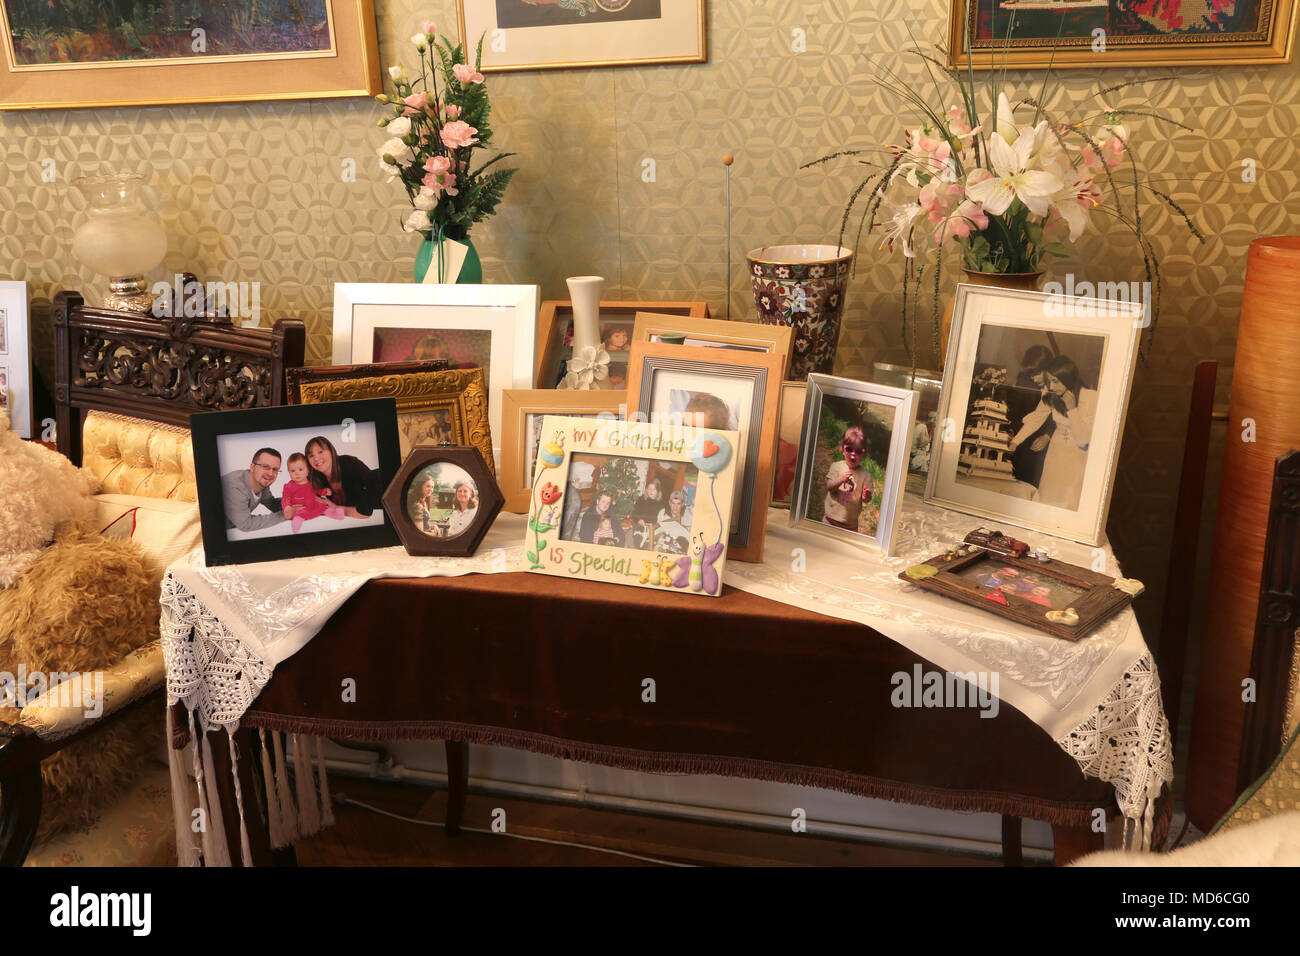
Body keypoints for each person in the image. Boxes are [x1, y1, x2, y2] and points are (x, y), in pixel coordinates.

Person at [1009, 355, 1097, 511]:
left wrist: (1072, 409)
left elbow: (1083, 440)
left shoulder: (1091, 397)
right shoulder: (1051, 394)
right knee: (1047, 497)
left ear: (1068, 378)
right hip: (1055, 454)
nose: (1050, 386)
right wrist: (1015, 441)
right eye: (1049, 381)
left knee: (1069, 500)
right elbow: (1037, 417)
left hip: (1077, 457)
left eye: (1055, 381)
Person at [220, 447, 304, 532]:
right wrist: (284, 515)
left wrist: (297, 500)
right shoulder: (234, 486)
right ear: (252, 467)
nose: (270, 473)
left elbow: (272, 503)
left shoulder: (261, 483)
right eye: (265, 467)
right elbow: (246, 524)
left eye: (275, 469)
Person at [1009, 346, 1055, 488]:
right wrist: (1015, 442)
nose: (1033, 379)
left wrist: (1048, 435)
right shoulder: (1046, 389)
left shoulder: (1060, 387)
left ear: (1048, 369)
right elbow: (1037, 417)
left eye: (1036, 374)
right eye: (1031, 374)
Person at [305, 435, 381, 518]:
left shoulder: (348, 464)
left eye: (320, 452)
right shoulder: (317, 479)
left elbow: (365, 512)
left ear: (331, 451)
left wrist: (335, 508)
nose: (316, 458)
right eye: (311, 456)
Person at [822, 425, 873, 532]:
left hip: (850, 525)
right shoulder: (836, 466)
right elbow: (830, 487)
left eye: (858, 451)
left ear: (864, 454)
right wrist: (841, 479)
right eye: (849, 449)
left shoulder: (865, 476)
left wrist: (866, 496)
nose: (853, 454)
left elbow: (867, 499)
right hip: (830, 520)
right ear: (843, 449)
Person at [280, 452, 344, 532]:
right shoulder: (289, 486)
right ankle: (296, 525)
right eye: (293, 471)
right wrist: (287, 507)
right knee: (299, 515)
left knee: (324, 508)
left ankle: (337, 515)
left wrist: (324, 491)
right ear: (289, 472)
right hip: (300, 507)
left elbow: (317, 490)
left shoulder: (311, 483)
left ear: (307, 471)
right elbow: (286, 497)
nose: (297, 473)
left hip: (313, 504)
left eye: (300, 469)